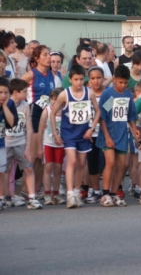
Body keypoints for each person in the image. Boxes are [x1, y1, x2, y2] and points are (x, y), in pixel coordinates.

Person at [50, 65, 101, 208]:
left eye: (81, 79)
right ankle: (70, 194)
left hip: (84, 133)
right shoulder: (64, 95)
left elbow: (97, 112)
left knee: (81, 163)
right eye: (76, 80)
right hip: (69, 133)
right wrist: (55, 132)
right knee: (72, 161)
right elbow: (53, 113)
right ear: (70, 80)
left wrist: (91, 128)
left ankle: (77, 191)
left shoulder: (89, 93)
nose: (79, 82)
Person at [95, 65, 138, 207]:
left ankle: (114, 193)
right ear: (114, 80)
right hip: (109, 134)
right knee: (111, 163)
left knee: (122, 165)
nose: (123, 85)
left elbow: (130, 115)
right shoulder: (109, 95)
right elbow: (103, 118)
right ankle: (105, 193)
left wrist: (134, 129)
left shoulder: (127, 95)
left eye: (125, 83)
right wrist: (107, 136)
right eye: (120, 82)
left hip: (122, 134)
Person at [22, 45, 55, 197]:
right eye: (45, 55)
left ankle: (37, 188)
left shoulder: (52, 74)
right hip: (34, 115)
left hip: (47, 116)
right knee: (35, 154)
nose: (49, 57)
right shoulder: (31, 75)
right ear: (37, 58)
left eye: (49, 54)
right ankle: (25, 189)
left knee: (43, 156)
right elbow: (15, 89)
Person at [4, 79, 41, 209]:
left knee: (28, 168)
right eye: (25, 92)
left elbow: (29, 128)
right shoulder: (5, 104)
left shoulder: (25, 105)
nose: (27, 94)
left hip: (21, 141)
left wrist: (28, 147)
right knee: (5, 170)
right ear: (15, 92)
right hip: (7, 142)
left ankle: (32, 198)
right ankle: (7, 196)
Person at [37, 87, 65, 205]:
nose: (53, 102)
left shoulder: (65, 111)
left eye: (56, 99)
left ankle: (56, 193)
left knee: (58, 169)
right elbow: (40, 130)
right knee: (48, 168)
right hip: (48, 143)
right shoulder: (47, 111)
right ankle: (47, 194)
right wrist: (39, 147)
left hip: (60, 145)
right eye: (51, 99)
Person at [82, 67, 106, 204]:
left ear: (103, 78)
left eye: (99, 78)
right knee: (92, 162)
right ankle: (96, 190)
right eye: (93, 78)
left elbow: (105, 115)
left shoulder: (107, 94)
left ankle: (109, 190)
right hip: (91, 133)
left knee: (108, 163)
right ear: (89, 80)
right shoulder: (86, 95)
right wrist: (88, 129)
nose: (96, 81)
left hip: (105, 133)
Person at [0, 77, 18, 210]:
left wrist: (5, 106)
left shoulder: (10, 104)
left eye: (6, 93)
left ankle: (1, 198)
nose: (3, 95)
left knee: (1, 172)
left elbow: (11, 123)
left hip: (1, 142)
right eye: (0, 93)